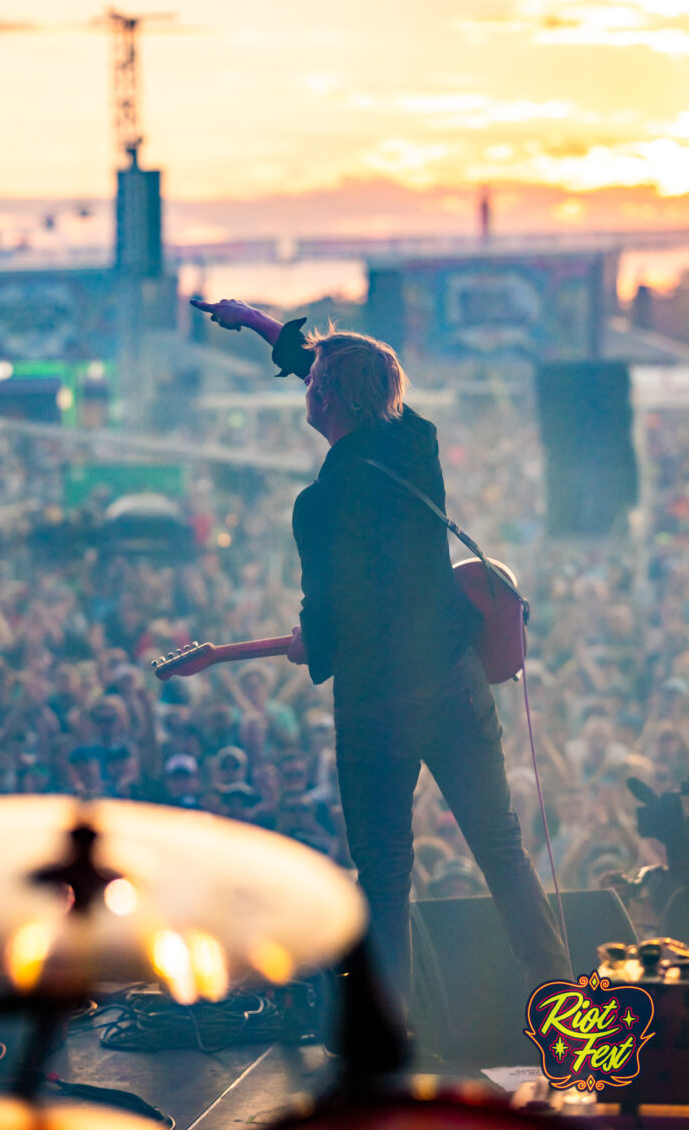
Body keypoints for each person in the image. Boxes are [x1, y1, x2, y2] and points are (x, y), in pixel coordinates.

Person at [191, 297, 568, 1012]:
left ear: (325, 398)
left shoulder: (320, 505)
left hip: (376, 708)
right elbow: (356, 382)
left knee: (387, 876)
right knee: (501, 848)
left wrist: (312, 643)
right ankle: (565, 1014)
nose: (304, 385)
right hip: (455, 682)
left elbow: (323, 630)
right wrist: (262, 326)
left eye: (311, 381)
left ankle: (395, 1045)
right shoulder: (414, 446)